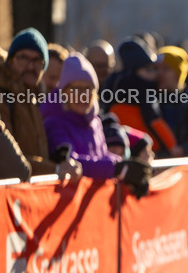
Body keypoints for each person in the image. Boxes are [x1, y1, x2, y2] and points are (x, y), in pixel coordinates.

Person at [0, 29, 82, 179]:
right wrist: (55, 169)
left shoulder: (32, 97)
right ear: (10, 60)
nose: (30, 67)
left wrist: (57, 161)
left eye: (37, 60)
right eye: (23, 58)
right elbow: (12, 158)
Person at [40, 52, 126, 180]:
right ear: (64, 93)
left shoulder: (95, 122)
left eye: (87, 89)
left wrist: (123, 164)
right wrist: (116, 169)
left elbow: (102, 155)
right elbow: (71, 163)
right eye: (76, 89)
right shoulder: (54, 123)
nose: (82, 95)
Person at [101, 37, 178, 156]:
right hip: (146, 148)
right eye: (149, 69)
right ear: (136, 71)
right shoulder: (144, 89)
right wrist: (173, 146)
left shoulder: (113, 82)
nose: (155, 74)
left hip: (119, 147)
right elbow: (155, 120)